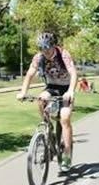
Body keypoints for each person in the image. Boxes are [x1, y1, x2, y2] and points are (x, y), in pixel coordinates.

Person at [16, 32, 77, 172]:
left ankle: (67, 155)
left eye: (48, 48)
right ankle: (48, 129)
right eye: (42, 49)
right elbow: (30, 74)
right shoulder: (38, 58)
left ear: (53, 46)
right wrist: (23, 92)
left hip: (66, 89)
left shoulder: (64, 55)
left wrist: (71, 91)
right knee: (41, 99)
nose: (46, 52)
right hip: (51, 87)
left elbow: (73, 73)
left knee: (65, 117)